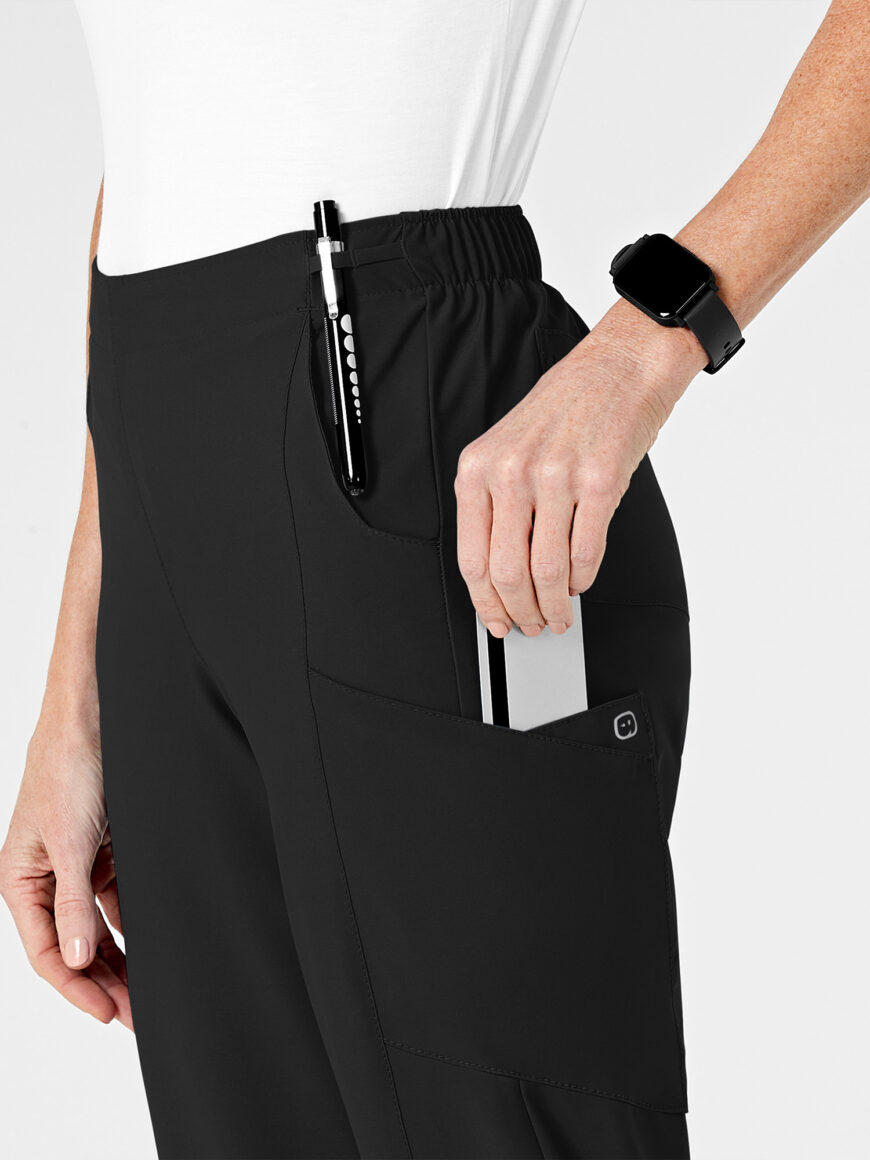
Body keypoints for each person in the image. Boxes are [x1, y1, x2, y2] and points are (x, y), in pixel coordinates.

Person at [2, 2, 869, 1157]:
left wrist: (652, 340)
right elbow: (175, 136)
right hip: (157, 461)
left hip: (408, 425)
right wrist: (77, 688)